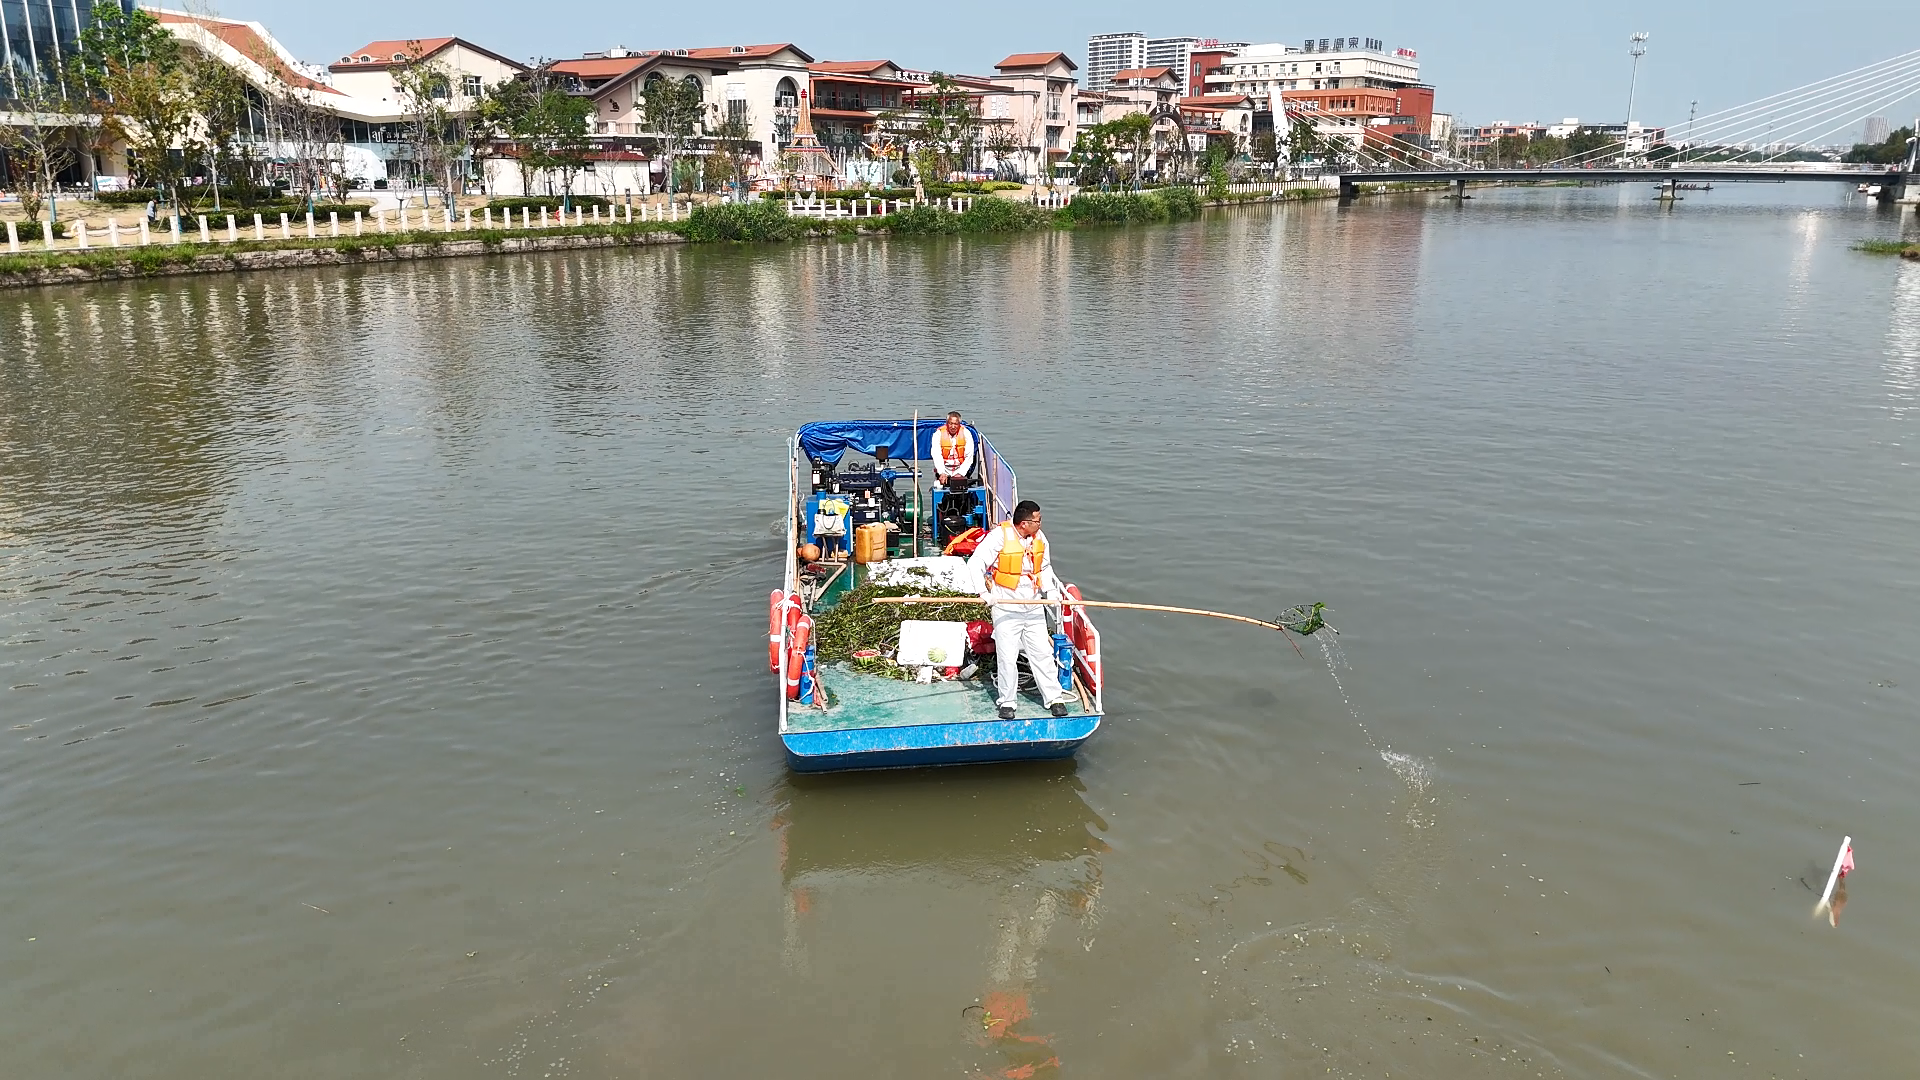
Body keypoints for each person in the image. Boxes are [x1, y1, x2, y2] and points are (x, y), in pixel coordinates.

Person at [967, 500, 1072, 719]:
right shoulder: (999, 537)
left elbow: (1043, 567)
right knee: (1007, 656)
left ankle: (1054, 698)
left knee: (1042, 653)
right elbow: (976, 563)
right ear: (1024, 523)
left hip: (1033, 605)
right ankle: (1007, 701)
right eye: (1038, 520)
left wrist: (1050, 591)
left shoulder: (1039, 539)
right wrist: (984, 593)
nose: (1040, 523)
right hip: (1006, 605)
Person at [933, 411, 975, 491]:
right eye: (950, 423)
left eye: (955, 424)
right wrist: (942, 472)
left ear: (959, 424)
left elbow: (969, 456)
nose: (952, 426)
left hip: (960, 469)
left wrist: (961, 473)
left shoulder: (966, 433)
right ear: (946, 423)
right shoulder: (938, 434)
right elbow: (936, 454)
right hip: (944, 469)